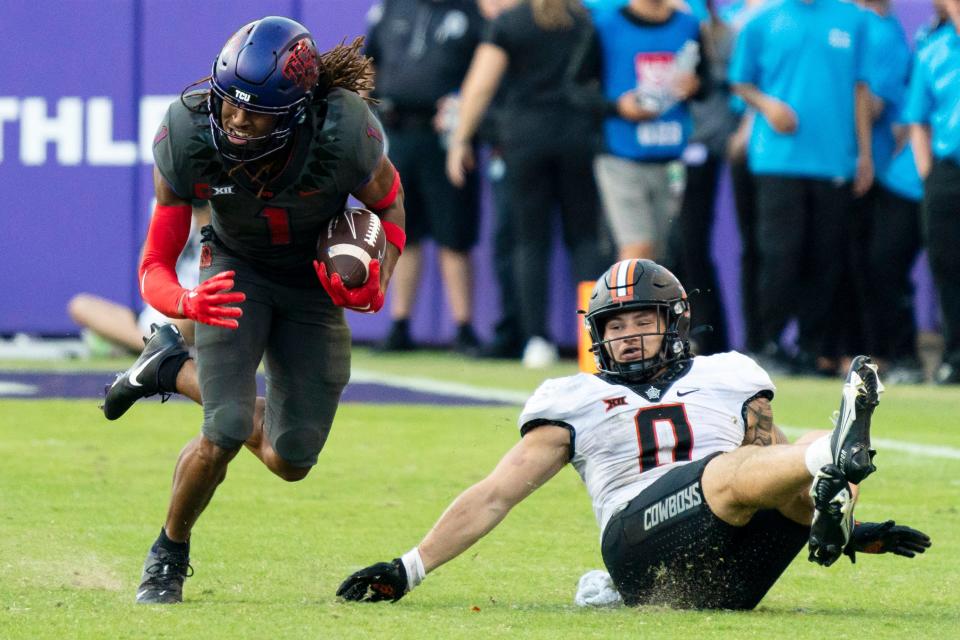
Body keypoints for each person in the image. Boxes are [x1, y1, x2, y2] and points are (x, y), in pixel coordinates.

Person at [336, 259, 930, 609]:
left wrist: (847, 530)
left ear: (674, 321)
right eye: (614, 325)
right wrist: (409, 566)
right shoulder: (574, 398)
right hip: (641, 552)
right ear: (597, 333)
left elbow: (772, 471)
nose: (626, 336)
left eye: (642, 320)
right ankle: (834, 449)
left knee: (789, 465)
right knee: (734, 470)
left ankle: (834, 472)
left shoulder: (732, 374)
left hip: (734, 580)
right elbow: (497, 492)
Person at [100, 17, 407, 604]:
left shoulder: (343, 131)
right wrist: (186, 301)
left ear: (295, 111)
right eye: (229, 105)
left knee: (291, 460)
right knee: (226, 428)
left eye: (256, 112)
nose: (236, 120)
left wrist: (379, 275)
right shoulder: (187, 129)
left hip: (313, 283)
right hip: (234, 270)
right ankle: (168, 552)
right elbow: (153, 265)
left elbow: (390, 203)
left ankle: (168, 368)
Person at [446, 0, 609, 369]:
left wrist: (460, 140)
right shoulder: (584, 19)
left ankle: (536, 339)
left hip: (525, 139)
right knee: (584, 239)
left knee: (529, 240)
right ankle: (594, 342)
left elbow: (481, 85)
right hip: (579, 137)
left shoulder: (512, 22)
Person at [729, 0, 873, 375]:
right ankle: (768, 344)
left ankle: (813, 348)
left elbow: (860, 89)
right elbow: (740, 82)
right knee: (779, 254)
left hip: (833, 160)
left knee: (825, 258)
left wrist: (864, 153)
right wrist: (767, 105)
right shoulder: (762, 21)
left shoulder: (852, 19)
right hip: (777, 159)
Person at [364, 0, 485, 354]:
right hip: (397, 130)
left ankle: (464, 327)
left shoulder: (469, 12)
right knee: (404, 231)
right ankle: (400, 322)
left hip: (447, 136)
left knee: (455, 234)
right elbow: (369, 64)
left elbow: (487, 72)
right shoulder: (391, 8)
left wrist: (464, 110)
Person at [583, 0, 709, 262]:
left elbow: (707, 84)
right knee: (637, 249)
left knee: (660, 256)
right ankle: (622, 302)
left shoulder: (688, 25)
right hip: (621, 155)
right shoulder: (605, 24)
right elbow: (576, 87)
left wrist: (694, 85)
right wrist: (618, 106)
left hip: (672, 156)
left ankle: (642, 303)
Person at [904, 0, 960, 385]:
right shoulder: (935, 49)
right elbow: (918, 119)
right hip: (948, 170)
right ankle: (954, 357)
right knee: (947, 263)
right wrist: (928, 174)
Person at [68, 203, 209, 354]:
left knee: (192, 314)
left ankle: (152, 349)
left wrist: (205, 221)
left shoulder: (222, 224)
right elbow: (149, 269)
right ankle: (156, 347)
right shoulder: (174, 213)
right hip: (153, 317)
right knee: (80, 305)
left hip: (190, 314)